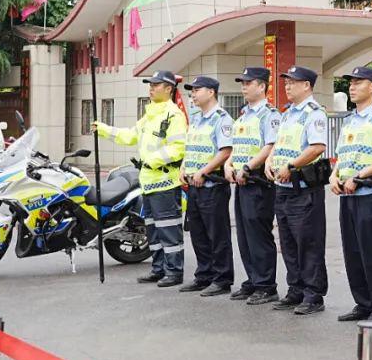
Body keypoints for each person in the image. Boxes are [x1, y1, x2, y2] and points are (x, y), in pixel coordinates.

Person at [93, 70, 187, 287]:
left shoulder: (173, 116)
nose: (151, 88)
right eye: (150, 85)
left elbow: (178, 148)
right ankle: (159, 269)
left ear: (169, 89)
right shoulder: (150, 115)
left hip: (165, 182)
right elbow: (130, 135)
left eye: (156, 85)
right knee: (152, 229)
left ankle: (174, 272)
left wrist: (153, 159)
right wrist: (104, 129)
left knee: (168, 229)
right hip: (149, 182)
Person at [330, 66, 372, 323]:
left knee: (371, 251)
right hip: (347, 196)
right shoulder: (348, 120)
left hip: (367, 192)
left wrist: (358, 177)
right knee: (352, 252)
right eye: (351, 83)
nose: (352, 87)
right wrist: (334, 176)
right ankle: (362, 302)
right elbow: (341, 156)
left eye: (358, 82)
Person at [266, 66, 329, 315]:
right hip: (282, 187)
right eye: (286, 82)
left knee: (308, 243)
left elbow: (317, 147)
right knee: (288, 242)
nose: (288, 86)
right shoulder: (288, 113)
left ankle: (313, 295)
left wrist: (291, 166)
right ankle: (296, 290)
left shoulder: (314, 113)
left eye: (293, 82)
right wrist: (270, 160)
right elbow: (279, 143)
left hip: (303, 188)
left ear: (307, 85)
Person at [226, 67, 281, 306]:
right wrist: (228, 164)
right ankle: (253, 279)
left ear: (262, 86)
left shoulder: (269, 115)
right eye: (242, 83)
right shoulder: (243, 115)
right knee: (244, 235)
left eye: (248, 83)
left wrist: (249, 166)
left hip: (258, 181)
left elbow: (270, 145)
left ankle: (266, 285)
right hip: (241, 181)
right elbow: (236, 146)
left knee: (259, 234)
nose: (244, 87)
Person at [178, 76, 235, 297]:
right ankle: (204, 274)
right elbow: (191, 147)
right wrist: (184, 167)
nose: (193, 94)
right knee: (198, 233)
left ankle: (222, 279)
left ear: (211, 92)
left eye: (197, 90)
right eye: (191, 90)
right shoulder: (196, 118)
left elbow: (226, 150)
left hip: (212, 185)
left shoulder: (222, 119)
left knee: (217, 234)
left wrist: (204, 170)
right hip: (194, 185)